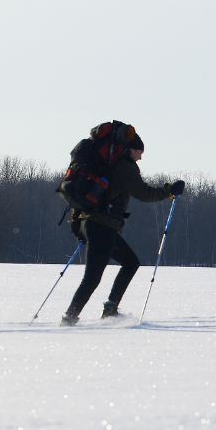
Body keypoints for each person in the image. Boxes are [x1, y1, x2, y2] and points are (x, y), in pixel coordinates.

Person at [61, 132, 184, 325]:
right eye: (140, 152)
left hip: (95, 224)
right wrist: (168, 192)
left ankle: (110, 309)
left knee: (130, 263)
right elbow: (144, 193)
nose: (141, 157)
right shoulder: (125, 167)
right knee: (92, 278)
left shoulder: (111, 164)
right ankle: (69, 318)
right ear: (131, 150)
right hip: (102, 226)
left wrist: (79, 227)